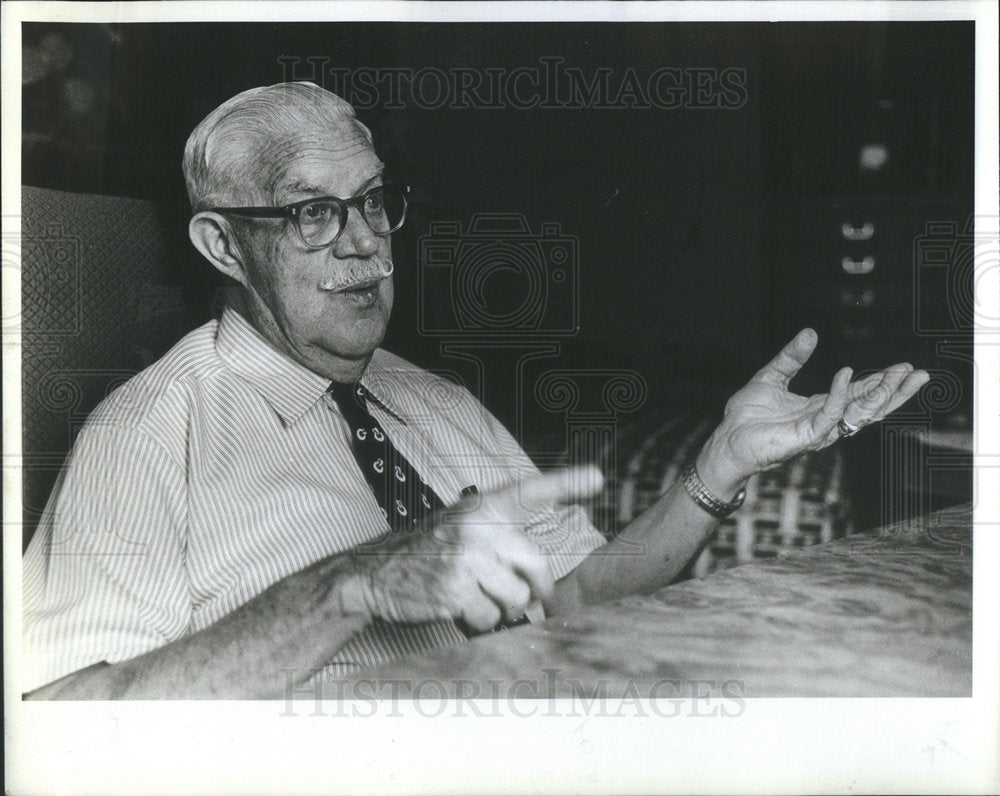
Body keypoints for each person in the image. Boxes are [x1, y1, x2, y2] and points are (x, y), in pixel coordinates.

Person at [22, 82, 929, 699]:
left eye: (375, 202)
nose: (365, 244)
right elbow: (59, 719)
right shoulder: (149, 434)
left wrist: (719, 467)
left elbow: (574, 598)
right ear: (223, 246)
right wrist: (348, 587)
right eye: (312, 214)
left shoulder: (437, 402)